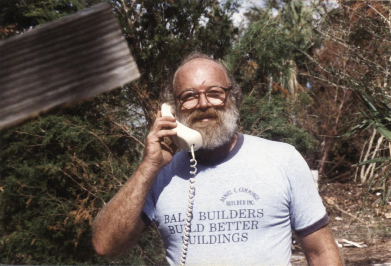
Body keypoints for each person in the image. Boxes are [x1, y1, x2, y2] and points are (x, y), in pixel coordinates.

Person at [92, 52, 343, 266]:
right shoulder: (159, 174)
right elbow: (105, 245)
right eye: (189, 96)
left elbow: (321, 252)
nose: (203, 104)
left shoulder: (282, 159)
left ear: (231, 98)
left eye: (214, 92)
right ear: (173, 110)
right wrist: (149, 166)